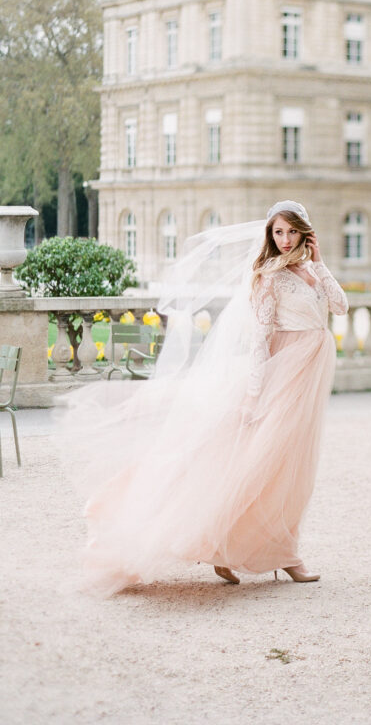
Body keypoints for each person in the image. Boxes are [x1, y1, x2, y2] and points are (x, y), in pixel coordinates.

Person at [58, 200, 348, 596]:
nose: (284, 240)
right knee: (257, 465)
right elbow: (261, 341)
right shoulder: (267, 277)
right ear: (269, 234)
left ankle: (268, 551)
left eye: (291, 232)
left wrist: (321, 263)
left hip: (308, 375)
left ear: (305, 233)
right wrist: (252, 395)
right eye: (278, 232)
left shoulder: (313, 271)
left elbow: (341, 307)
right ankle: (252, 551)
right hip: (280, 376)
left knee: (293, 466)